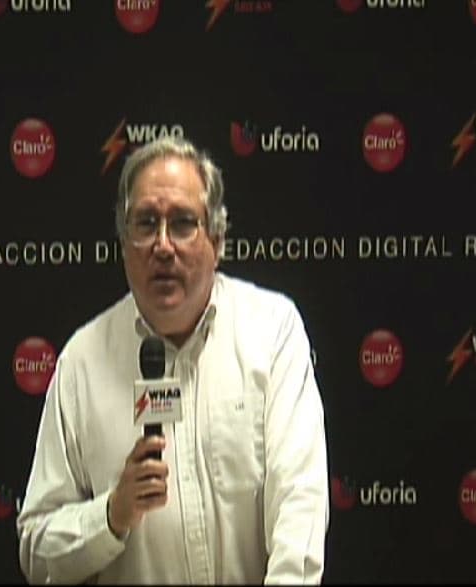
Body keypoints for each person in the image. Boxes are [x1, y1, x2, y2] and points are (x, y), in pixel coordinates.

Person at [16, 136, 330, 584]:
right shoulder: (81, 364)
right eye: (146, 223)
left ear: (217, 240)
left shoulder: (271, 331)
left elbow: (300, 502)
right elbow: (36, 550)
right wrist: (110, 515)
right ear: (124, 242)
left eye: (183, 223)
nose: (163, 246)